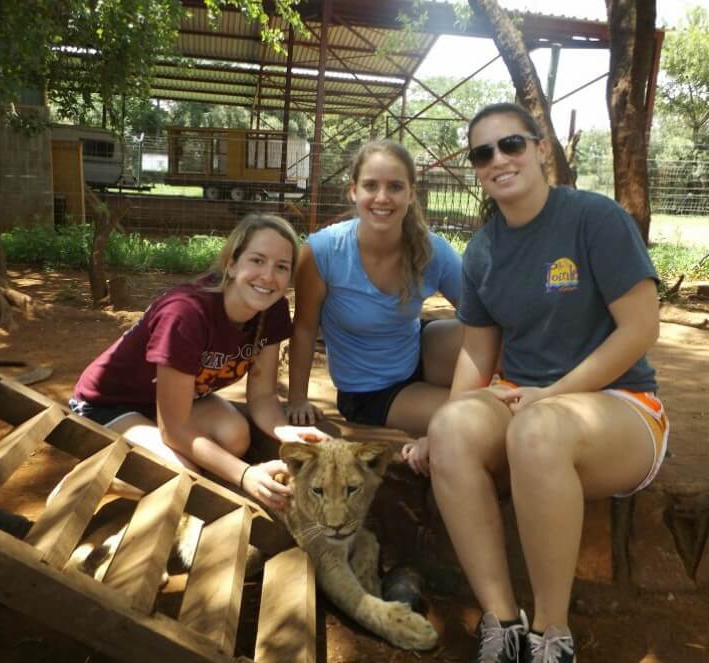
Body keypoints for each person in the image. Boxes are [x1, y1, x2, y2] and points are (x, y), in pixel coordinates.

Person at [425, 103, 669, 663]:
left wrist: (552, 397)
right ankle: (502, 621)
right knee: (453, 426)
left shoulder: (594, 218)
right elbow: (477, 351)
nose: (498, 160)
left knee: (538, 430)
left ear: (540, 149)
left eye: (511, 144)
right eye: (482, 153)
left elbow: (640, 329)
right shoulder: (482, 249)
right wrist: (436, 436)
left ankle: (551, 634)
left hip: (618, 406)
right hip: (524, 401)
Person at [61, 213, 327, 512]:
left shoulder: (272, 310)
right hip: (110, 404)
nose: (268, 276)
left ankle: (140, 461)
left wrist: (285, 432)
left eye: (281, 267)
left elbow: (263, 396)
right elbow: (174, 428)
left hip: (174, 404)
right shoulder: (185, 315)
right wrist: (245, 475)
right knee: (183, 473)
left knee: (236, 437)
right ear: (231, 263)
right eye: (257, 260)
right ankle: (93, 478)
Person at [286, 139, 463, 449]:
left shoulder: (432, 249)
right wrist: (297, 399)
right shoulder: (323, 250)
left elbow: (482, 316)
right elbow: (303, 327)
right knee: (474, 417)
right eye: (371, 186)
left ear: (410, 193)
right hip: (371, 390)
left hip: (416, 347)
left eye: (395, 186)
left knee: (496, 338)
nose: (382, 197)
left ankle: (545, 392)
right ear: (354, 191)